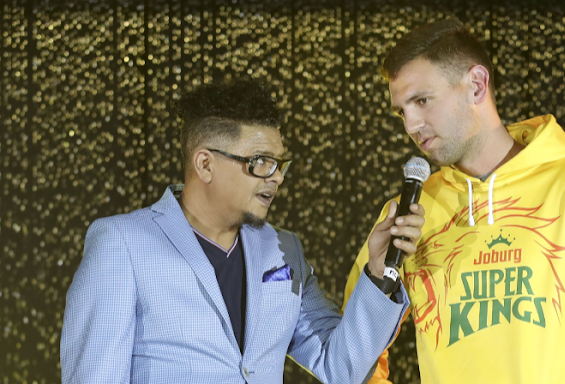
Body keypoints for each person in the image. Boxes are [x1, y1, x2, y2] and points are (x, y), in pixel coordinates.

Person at [343, 19, 565, 384]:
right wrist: (377, 280)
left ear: (477, 85)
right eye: (402, 111)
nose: (411, 124)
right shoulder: (409, 216)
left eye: (422, 100)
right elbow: (350, 353)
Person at [61, 78, 426, 384]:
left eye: (280, 163)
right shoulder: (122, 244)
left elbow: (340, 366)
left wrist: (380, 273)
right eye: (260, 162)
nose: (277, 176)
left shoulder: (284, 249)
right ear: (205, 164)